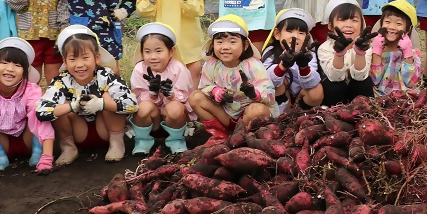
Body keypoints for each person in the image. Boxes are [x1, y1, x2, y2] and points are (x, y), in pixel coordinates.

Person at [35, 25, 139, 164]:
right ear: (65, 62)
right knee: (60, 105)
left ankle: (116, 142)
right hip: (79, 133)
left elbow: (132, 105)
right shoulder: (61, 81)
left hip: (105, 130)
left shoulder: (107, 76)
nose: (79, 64)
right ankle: (68, 147)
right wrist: (72, 106)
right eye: (73, 59)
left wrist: (102, 104)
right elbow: (41, 111)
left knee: (108, 95)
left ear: (96, 58)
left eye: (85, 57)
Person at [0, 37, 54, 174]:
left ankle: (39, 154)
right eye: (4, 63)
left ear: (25, 72)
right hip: (1, 141)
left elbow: (43, 120)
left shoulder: (31, 90)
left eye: (17, 65)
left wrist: (47, 157)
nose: (10, 69)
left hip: (28, 139)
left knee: (40, 112)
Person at [189, 15, 276, 141]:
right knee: (195, 97)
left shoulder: (253, 66)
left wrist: (254, 93)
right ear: (213, 45)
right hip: (225, 115)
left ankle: (244, 138)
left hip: (247, 116)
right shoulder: (211, 65)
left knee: (258, 110)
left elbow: (270, 94)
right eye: (219, 42)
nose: (225, 47)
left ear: (245, 45)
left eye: (232, 41)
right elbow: (204, 87)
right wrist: (215, 91)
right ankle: (220, 135)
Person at [128, 23, 195, 155]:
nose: (153, 57)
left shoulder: (178, 69)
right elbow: (137, 98)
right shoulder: (139, 69)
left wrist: (170, 94)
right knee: (143, 107)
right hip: (151, 122)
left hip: (174, 120)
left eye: (159, 51)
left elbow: (185, 98)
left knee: (175, 107)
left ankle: (176, 140)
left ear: (171, 51)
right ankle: (142, 140)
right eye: (147, 52)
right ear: (141, 52)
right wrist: (152, 94)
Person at [317, 0, 380, 106]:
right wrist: (339, 54)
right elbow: (334, 77)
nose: (348, 25)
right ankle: (333, 116)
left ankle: (363, 114)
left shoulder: (367, 45)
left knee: (364, 83)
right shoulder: (324, 48)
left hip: (357, 91)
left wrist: (360, 52)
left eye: (354, 20)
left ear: (361, 25)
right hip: (335, 95)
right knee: (333, 85)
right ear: (330, 26)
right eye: (342, 20)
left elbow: (360, 76)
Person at [261, 8, 325, 112]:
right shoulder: (271, 52)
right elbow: (266, 82)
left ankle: (298, 114)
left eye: (301, 33)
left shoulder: (309, 55)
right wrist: (283, 66)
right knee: (279, 83)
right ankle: (282, 115)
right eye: (289, 31)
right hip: (279, 98)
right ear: (277, 34)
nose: (295, 36)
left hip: (301, 95)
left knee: (317, 90)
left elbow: (312, 83)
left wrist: (304, 66)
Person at [368, 0, 423, 97]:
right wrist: (376, 52)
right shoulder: (374, 50)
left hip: (405, 99)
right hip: (380, 98)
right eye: (387, 22)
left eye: (398, 24)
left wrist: (407, 54)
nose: (392, 27)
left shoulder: (414, 53)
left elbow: (410, 82)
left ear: (408, 30)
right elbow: (374, 80)